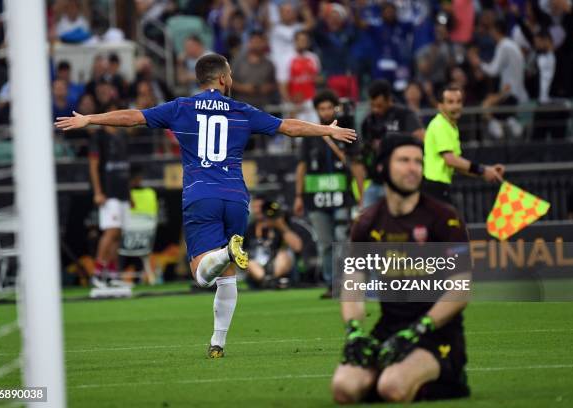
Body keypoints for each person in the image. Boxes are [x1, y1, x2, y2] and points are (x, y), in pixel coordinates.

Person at [55, 53, 357, 358]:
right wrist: (327, 130)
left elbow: (134, 116)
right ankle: (218, 343)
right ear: (224, 79)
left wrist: (90, 119)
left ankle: (227, 252)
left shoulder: (181, 107)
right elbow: (288, 126)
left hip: (202, 196)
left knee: (201, 275)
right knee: (227, 275)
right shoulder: (242, 110)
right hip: (237, 198)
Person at [331, 135, 471, 403]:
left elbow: (460, 291)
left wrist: (420, 329)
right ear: (383, 167)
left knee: (391, 387)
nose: (413, 168)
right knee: (344, 388)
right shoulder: (367, 221)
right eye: (404, 160)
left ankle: (452, 377)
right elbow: (353, 286)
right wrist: (354, 331)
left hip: (436, 333)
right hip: (390, 329)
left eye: (418, 161)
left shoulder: (444, 217)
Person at [294, 90, 365, 298]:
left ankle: (345, 282)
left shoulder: (347, 132)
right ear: (316, 111)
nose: (325, 112)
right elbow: (302, 166)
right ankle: (331, 283)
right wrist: (299, 195)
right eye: (321, 108)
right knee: (325, 244)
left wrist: (361, 195)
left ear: (336, 108)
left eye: (328, 108)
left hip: (343, 197)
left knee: (342, 240)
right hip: (316, 199)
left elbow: (357, 166)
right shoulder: (309, 135)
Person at [422, 85, 504, 206]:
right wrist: (483, 170)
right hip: (433, 187)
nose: (456, 106)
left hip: (438, 187)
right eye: (450, 102)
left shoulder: (450, 127)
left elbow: (458, 166)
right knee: (454, 224)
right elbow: (450, 160)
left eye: (459, 102)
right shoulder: (440, 125)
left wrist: (486, 171)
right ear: (440, 106)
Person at [360, 80, 424, 209]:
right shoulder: (368, 121)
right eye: (372, 105)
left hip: (399, 181)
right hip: (376, 181)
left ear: (389, 99)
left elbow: (421, 138)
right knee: (366, 218)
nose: (375, 109)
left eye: (379, 105)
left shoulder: (404, 115)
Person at [87, 103, 130, 288]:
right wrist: (97, 191)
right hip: (107, 192)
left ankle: (112, 274)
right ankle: (97, 273)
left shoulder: (122, 135)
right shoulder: (99, 137)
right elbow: (93, 165)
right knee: (110, 231)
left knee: (117, 233)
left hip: (122, 192)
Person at [244, 197, 302, 288]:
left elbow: (297, 247)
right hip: (258, 268)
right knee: (248, 261)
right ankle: (267, 281)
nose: (258, 210)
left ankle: (271, 280)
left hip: (279, 266)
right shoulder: (250, 228)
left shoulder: (282, 224)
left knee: (283, 254)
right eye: (254, 207)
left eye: (260, 207)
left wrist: (281, 226)